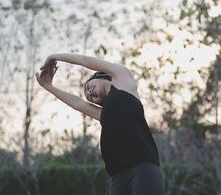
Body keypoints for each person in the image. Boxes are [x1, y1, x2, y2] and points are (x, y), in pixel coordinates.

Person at [35, 53, 164, 195]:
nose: (89, 93)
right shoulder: (104, 113)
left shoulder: (123, 80)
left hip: (142, 168)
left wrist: (54, 57)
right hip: (116, 176)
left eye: (88, 86)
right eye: (88, 96)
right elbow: (78, 103)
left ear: (102, 77)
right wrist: (48, 87)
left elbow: (85, 60)